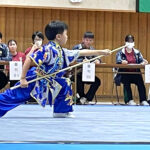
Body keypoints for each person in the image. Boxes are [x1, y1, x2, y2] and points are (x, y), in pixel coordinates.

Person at [0, 20, 111, 118]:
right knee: (13, 96)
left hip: (51, 80)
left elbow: (80, 52)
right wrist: (23, 78)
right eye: (66, 34)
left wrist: (102, 52)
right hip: (35, 79)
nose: (67, 37)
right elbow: (29, 60)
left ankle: (61, 111)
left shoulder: (62, 51)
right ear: (58, 36)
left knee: (65, 82)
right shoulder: (47, 49)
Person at [115, 34, 149, 106]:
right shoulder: (120, 52)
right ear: (125, 42)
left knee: (141, 83)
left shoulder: (137, 52)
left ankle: (143, 100)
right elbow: (118, 61)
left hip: (135, 73)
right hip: (124, 73)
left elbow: (141, 60)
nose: (130, 43)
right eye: (128, 41)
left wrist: (143, 62)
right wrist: (121, 62)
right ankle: (129, 100)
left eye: (131, 41)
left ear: (134, 42)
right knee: (126, 82)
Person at [72, 32, 101, 104]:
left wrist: (98, 60)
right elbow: (72, 59)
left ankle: (86, 98)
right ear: (83, 40)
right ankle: (82, 97)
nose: (88, 42)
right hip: (77, 72)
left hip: (88, 74)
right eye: (87, 40)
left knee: (97, 81)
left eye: (90, 40)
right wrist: (81, 61)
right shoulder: (77, 48)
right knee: (78, 79)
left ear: (93, 41)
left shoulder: (92, 49)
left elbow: (98, 58)